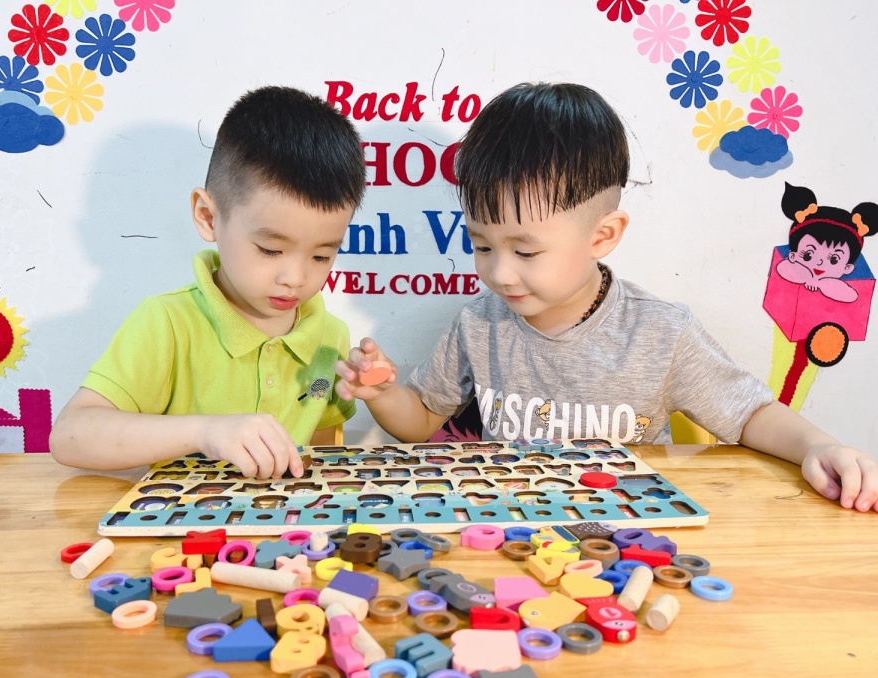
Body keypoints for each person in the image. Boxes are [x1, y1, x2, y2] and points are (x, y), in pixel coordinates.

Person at [335, 82, 878, 512]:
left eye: (525, 251)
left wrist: (819, 446)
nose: (499, 272)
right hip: (511, 528)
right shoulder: (480, 322)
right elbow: (421, 420)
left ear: (603, 235)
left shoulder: (661, 333)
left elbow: (750, 414)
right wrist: (383, 394)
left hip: (625, 535)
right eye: (481, 245)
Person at [50, 86, 365, 478]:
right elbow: (70, 436)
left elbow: (320, 445)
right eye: (270, 250)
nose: (295, 279)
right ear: (207, 216)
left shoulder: (329, 337)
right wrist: (205, 431)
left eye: (321, 256)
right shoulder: (167, 322)